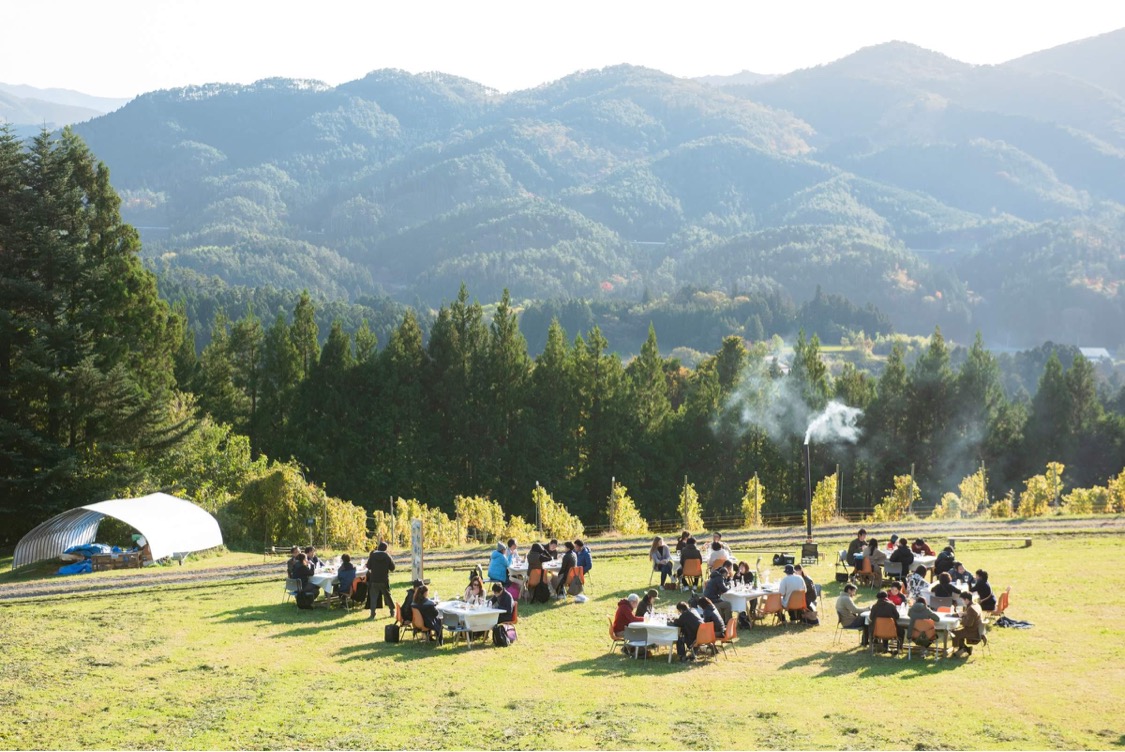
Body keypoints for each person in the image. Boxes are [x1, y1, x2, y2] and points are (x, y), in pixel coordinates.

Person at [365, 541, 396, 620]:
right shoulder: (387, 556)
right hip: (384, 580)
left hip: (374, 579)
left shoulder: (373, 555)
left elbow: (368, 566)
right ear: (385, 549)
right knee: (388, 596)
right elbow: (392, 568)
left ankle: (372, 614)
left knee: (373, 597)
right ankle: (392, 611)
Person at [951, 592, 983, 657]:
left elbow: (969, 623)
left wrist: (961, 620)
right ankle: (964, 649)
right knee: (957, 631)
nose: (962, 602)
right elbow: (969, 615)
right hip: (976, 629)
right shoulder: (976, 605)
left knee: (954, 632)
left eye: (962, 600)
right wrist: (963, 614)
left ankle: (961, 648)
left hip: (972, 631)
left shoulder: (971, 609)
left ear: (966, 600)